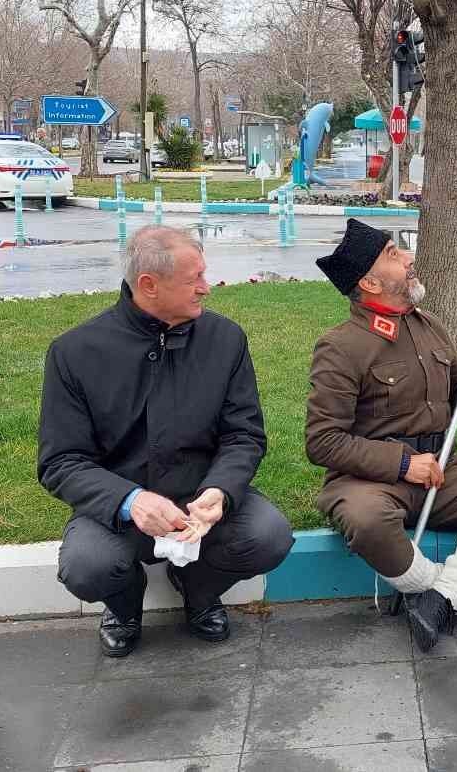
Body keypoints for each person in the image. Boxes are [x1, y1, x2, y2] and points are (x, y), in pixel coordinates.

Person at [38, 225, 294, 657]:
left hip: (200, 502)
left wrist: (221, 490)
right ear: (149, 285)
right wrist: (131, 501)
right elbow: (61, 462)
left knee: (270, 536)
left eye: (204, 275)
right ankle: (123, 604)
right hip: (118, 511)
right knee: (87, 567)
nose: (206, 288)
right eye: (194, 279)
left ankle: (198, 590)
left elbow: (243, 434)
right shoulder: (75, 353)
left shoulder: (224, 339)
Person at [307, 219, 457, 651]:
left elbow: (455, 407)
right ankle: (451, 590)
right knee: (365, 520)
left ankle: (442, 596)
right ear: (369, 281)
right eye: (394, 254)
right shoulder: (340, 346)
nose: (410, 259)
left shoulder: (427, 324)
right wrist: (402, 465)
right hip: (374, 481)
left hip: (441, 470)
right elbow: (323, 441)